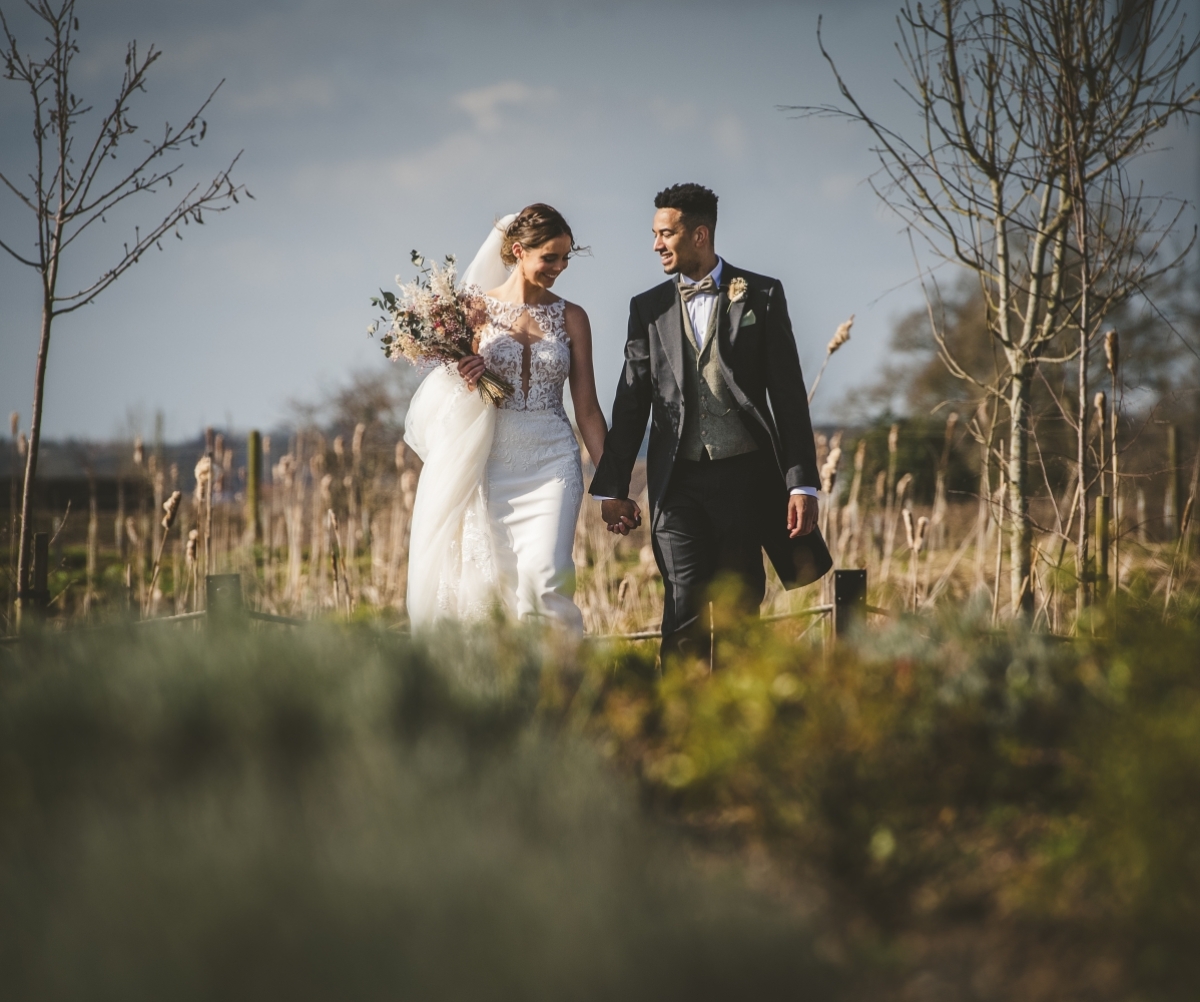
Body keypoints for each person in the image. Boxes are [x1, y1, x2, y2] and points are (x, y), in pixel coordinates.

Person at [589, 183, 832, 660]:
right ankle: (678, 727)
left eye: (666, 234)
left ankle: (737, 726)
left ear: (699, 234)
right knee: (684, 610)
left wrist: (802, 484)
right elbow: (632, 402)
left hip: (746, 479)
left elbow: (787, 397)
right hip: (676, 484)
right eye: (655, 234)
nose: (656, 244)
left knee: (741, 611)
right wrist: (612, 488)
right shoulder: (647, 308)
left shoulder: (761, 294)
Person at [403, 204, 607, 633]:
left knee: (547, 578)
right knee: (495, 585)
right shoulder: (473, 313)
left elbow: (586, 409)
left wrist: (612, 486)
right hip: (493, 461)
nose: (559, 267)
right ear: (518, 250)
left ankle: (556, 687)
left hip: (554, 459)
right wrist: (466, 378)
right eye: (550, 257)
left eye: (565, 257)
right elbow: (448, 404)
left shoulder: (573, 317)